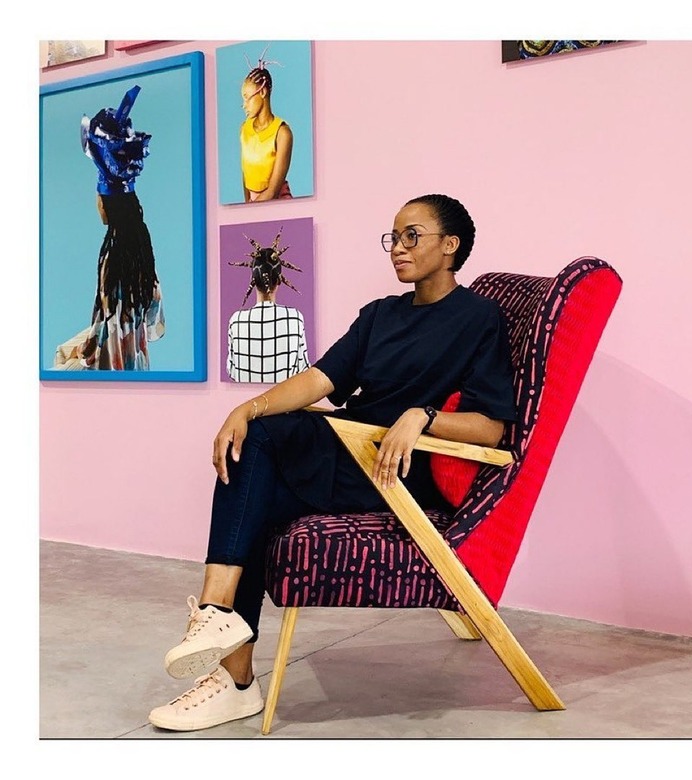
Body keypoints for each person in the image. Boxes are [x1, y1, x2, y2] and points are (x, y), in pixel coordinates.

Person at [148, 194, 517, 732]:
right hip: (350, 449)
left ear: (450, 245)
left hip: (397, 471)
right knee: (255, 475)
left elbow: (492, 427)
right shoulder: (380, 314)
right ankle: (231, 665)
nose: (398, 248)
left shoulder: (479, 319)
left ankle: (221, 629)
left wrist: (424, 416)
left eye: (412, 236)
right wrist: (246, 407)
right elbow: (320, 379)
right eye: (393, 237)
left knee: (263, 448)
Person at [55, 84, 165, 371]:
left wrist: (84, 350)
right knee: (65, 350)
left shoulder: (112, 255)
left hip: (111, 367)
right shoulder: (143, 252)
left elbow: (106, 329)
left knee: (60, 361)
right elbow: (155, 321)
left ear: (106, 206)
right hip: (138, 361)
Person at [226, 228, 310, 383]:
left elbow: (232, 371)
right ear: (279, 280)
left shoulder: (236, 320)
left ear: (253, 279)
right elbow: (303, 368)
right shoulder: (294, 318)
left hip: (244, 397)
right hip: (285, 396)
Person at [240, 50, 294, 202]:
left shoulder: (282, 133)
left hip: (277, 203)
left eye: (247, 98)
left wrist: (249, 211)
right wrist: (245, 207)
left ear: (262, 92)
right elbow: (245, 173)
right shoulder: (244, 129)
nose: (244, 105)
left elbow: (272, 191)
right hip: (253, 205)